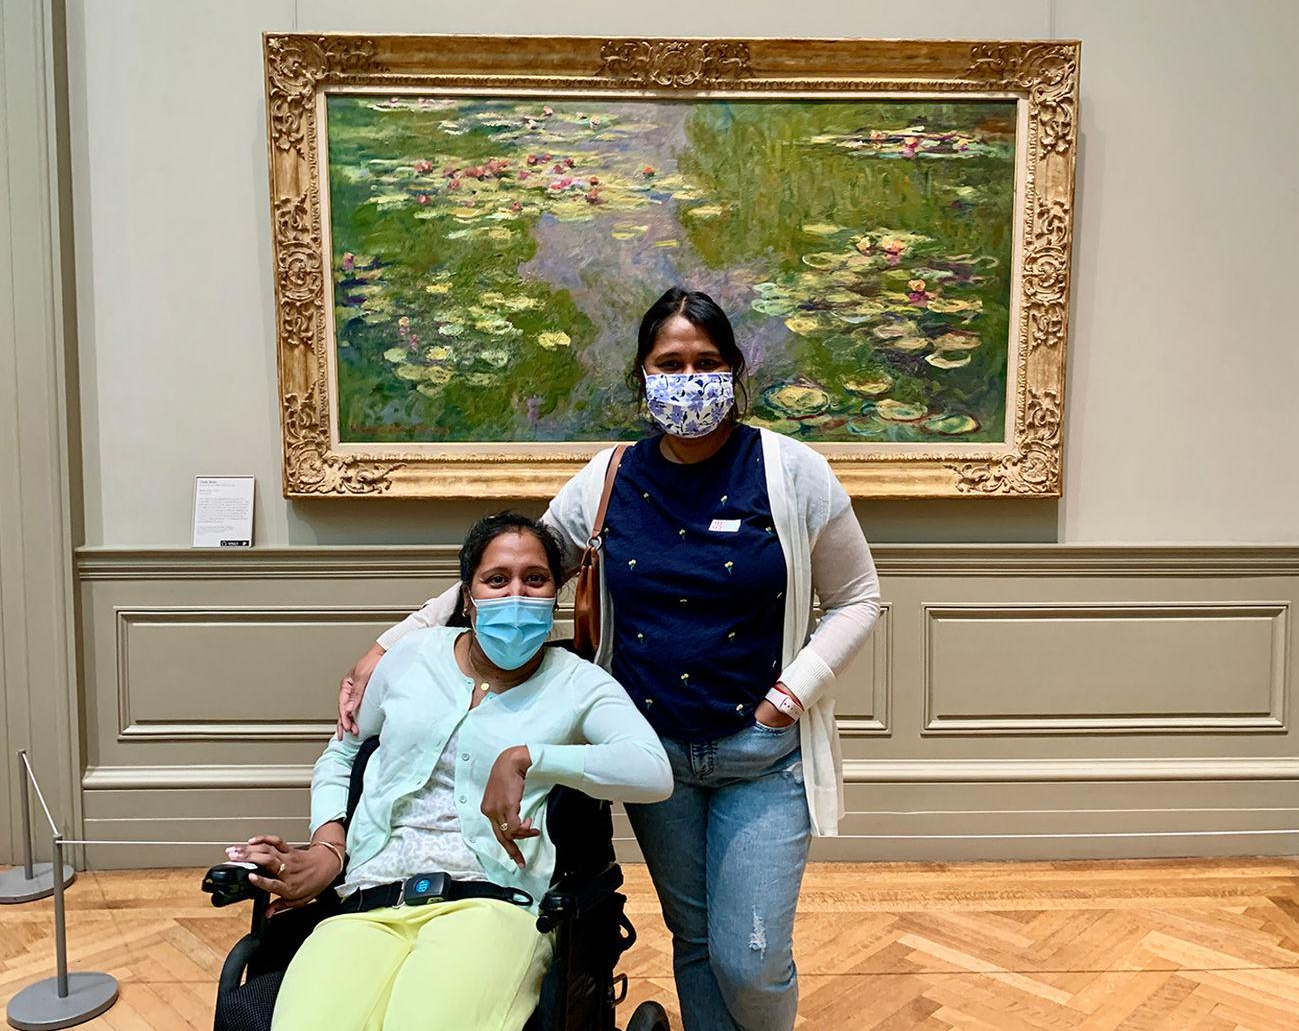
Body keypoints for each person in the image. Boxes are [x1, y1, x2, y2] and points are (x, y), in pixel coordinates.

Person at [339, 287, 882, 1030]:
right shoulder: (608, 480)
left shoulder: (794, 473)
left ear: (733, 372)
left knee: (750, 957)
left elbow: (858, 597)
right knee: (693, 940)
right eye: (670, 363)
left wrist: (789, 695)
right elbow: (511, 574)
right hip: (655, 758)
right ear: (643, 376)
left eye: (707, 362)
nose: (689, 378)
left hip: (762, 755)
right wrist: (390, 644)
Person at [231, 512, 671, 1031]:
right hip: (367, 901)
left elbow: (652, 772)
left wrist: (530, 757)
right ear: (467, 597)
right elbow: (343, 753)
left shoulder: (578, 684)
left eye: (535, 579)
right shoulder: (411, 658)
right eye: (496, 579)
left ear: (557, 592)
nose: (515, 595)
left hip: (492, 906)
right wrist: (329, 847)